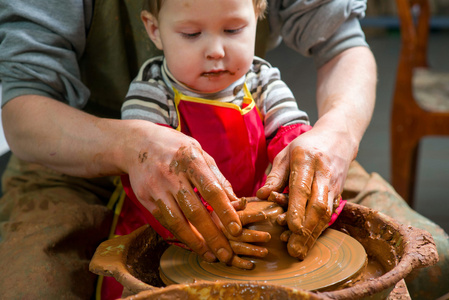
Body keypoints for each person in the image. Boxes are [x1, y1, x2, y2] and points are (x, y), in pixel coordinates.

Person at [0, 0, 447, 299]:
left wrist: (333, 139)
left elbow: (343, 45)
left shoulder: (259, 77)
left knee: (433, 261)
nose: (215, 51)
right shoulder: (151, 91)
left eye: (234, 29)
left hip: (264, 176)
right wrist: (131, 146)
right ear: (153, 28)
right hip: (84, 149)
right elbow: (24, 105)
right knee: (32, 289)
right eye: (191, 33)